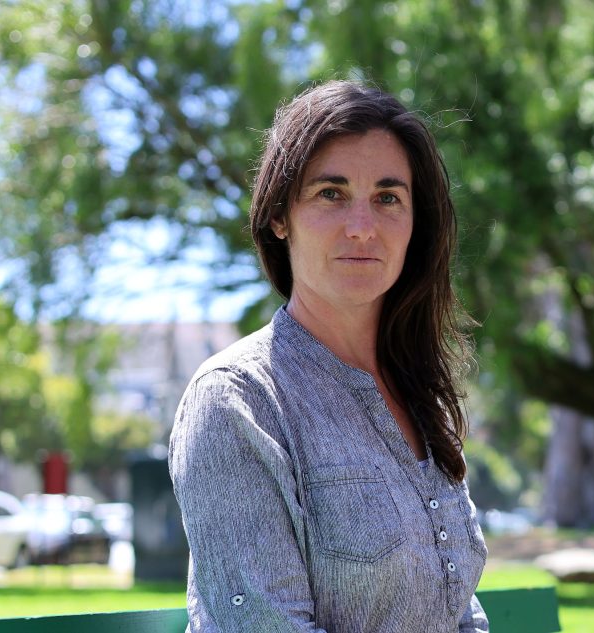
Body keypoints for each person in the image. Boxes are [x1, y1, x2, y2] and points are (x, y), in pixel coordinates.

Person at [168, 80, 489, 632]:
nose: (362, 227)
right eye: (330, 194)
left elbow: (457, 610)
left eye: (388, 198)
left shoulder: (418, 392)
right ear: (279, 217)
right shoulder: (237, 402)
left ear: (417, 224)